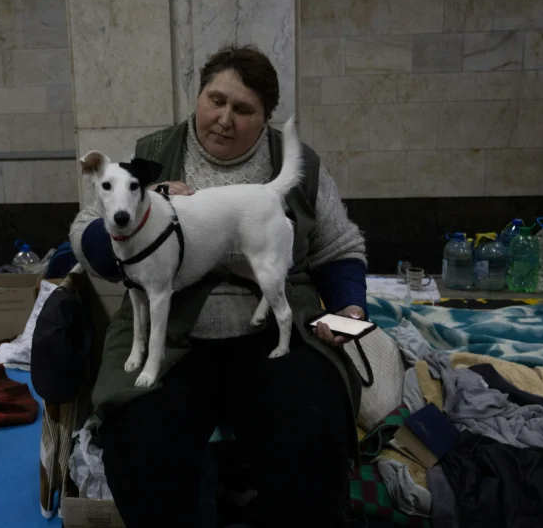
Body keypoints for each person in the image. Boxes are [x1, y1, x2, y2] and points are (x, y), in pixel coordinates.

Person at [70, 44, 368, 528]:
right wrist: (131, 224)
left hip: (270, 333)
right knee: (138, 440)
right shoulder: (149, 158)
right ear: (199, 97)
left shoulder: (302, 167)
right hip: (174, 341)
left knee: (312, 430)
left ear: (266, 118)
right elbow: (89, 233)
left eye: (243, 109)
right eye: (215, 100)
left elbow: (339, 248)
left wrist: (350, 307)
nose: (224, 118)